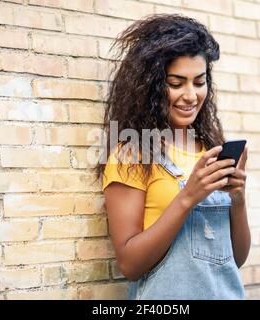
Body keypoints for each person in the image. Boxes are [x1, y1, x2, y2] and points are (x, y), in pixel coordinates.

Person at [94, 14, 250, 300]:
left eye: (199, 82)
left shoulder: (210, 148)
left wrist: (238, 200)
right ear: (150, 87)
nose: (191, 95)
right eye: (176, 83)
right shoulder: (132, 154)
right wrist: (187, 197)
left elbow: (235, 259)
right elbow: (130, 265)